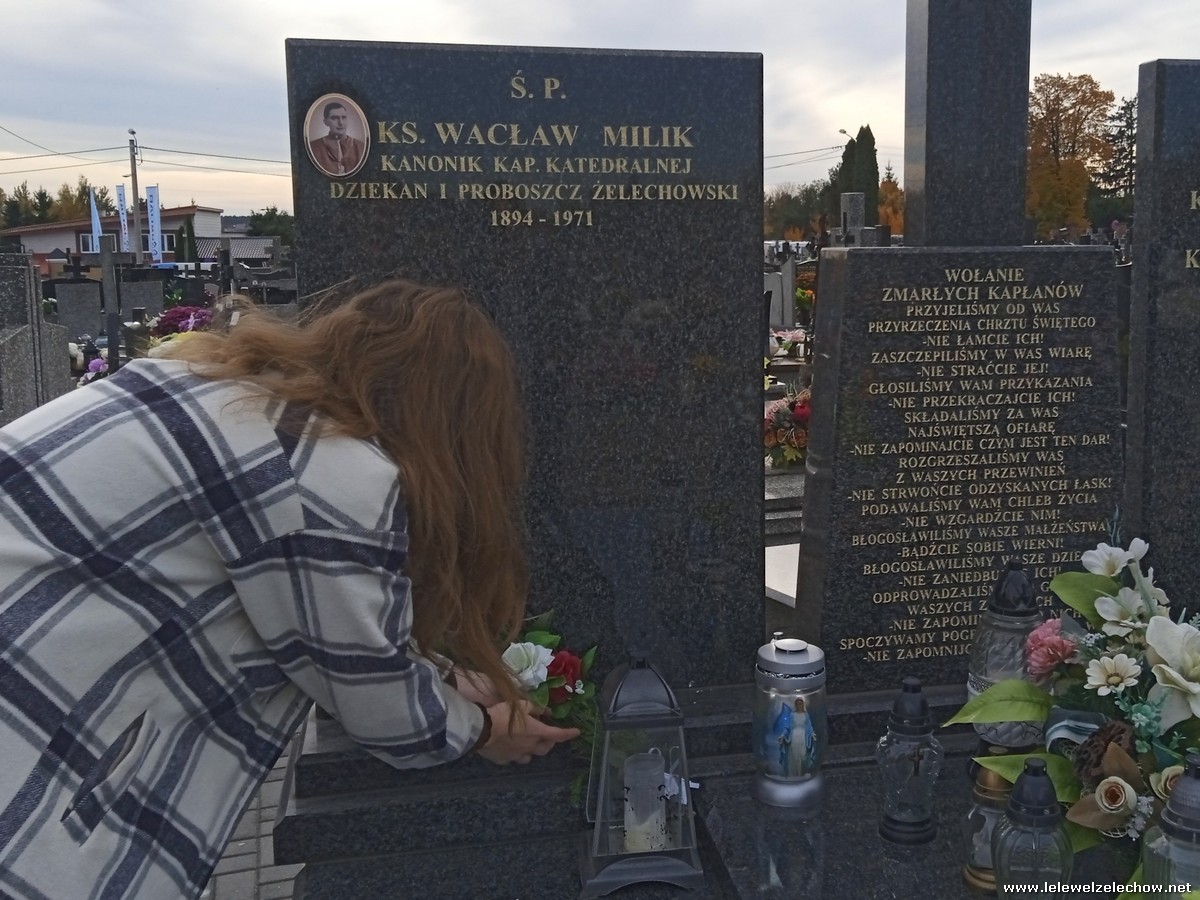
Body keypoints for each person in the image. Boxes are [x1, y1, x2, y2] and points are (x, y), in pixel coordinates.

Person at [0, 279, 579, 899]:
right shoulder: (321, 470)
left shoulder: (211, 383)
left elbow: (322, 619)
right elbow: (382, 706)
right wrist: (487, 731)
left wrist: (451, 677)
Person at [308, 100, 365, 175]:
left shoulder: (361, 147)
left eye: (344, 117)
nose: (341, 123)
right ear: (326, 122)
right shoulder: (314, 148)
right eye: (334, 118)